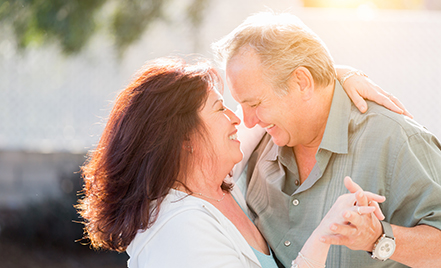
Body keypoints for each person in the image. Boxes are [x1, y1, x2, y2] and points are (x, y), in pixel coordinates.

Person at [76, 57, 390, 268]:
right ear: (184, 137)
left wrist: (340, 77)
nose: (236, 119)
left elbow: (275, 101)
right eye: (219, 109)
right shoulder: (179, 231)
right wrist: (326, 232)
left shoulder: (215, 186)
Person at [212, 11, 441, 268]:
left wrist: (377, 238)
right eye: (241, 104)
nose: (248, 121)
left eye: (254, 103)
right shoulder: (256, 142)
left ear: (301, 82)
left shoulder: (395, 140)